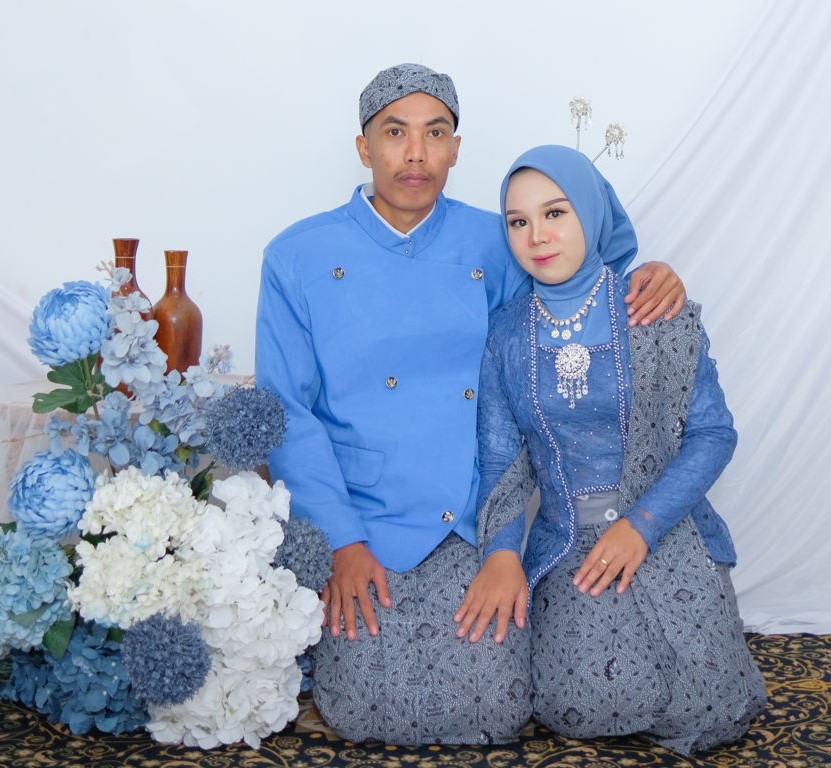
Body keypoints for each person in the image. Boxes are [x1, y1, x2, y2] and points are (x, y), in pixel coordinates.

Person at [255, 64, 686, 745]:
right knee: (362, 708)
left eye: (435, 134)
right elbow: (285, 411)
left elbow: (580, 285)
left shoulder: (498, 240)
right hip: (361, 518)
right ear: (364, 148)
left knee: (494, 708)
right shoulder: (296, 256)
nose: (416, 153)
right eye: (395, 133)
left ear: (456, 149)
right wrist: (340, 541)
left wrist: (648, 276)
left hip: (475, 513)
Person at [457, 145, 766, 755]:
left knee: (709, 704)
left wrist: (640, 526)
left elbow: (713, 434)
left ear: (593, 213)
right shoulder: (507, 335)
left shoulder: (654, 310)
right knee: (578, 704)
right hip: (568, 545)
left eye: (555, 213)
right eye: (518, 221)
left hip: (665, 530)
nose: (536, 236)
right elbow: (500, 461)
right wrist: (501, 553)